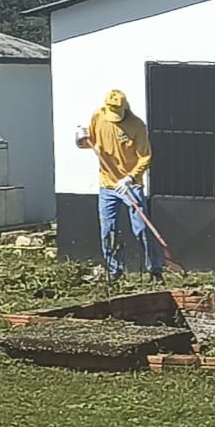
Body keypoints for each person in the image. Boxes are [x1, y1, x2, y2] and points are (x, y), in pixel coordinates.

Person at [74, 89, 163, 283]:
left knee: (141, 229)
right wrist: (81, 139)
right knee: (108, 230)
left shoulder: (137, 126)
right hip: (107, 185)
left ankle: (154, 271)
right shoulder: (99, 116)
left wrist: (130, 178)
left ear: (125, 108)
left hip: (131, 186)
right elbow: (88, 143)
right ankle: (114, 272)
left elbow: (146, 157)